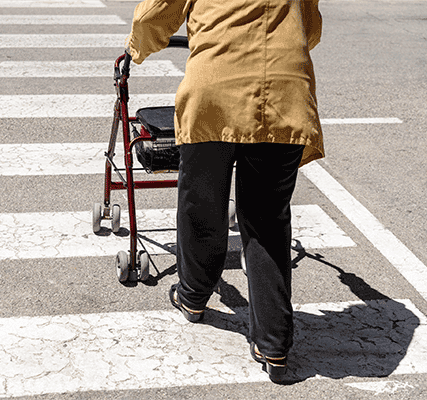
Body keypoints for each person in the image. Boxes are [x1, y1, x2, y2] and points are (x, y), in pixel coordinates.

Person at [125, 0, 324, 382]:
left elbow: (152, 16)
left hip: (214, 93)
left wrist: (138, 49)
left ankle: (194, 297)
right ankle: (274, 344)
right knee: (267, 219)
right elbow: (310, 29)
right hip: (284, 94)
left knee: (202, 204)